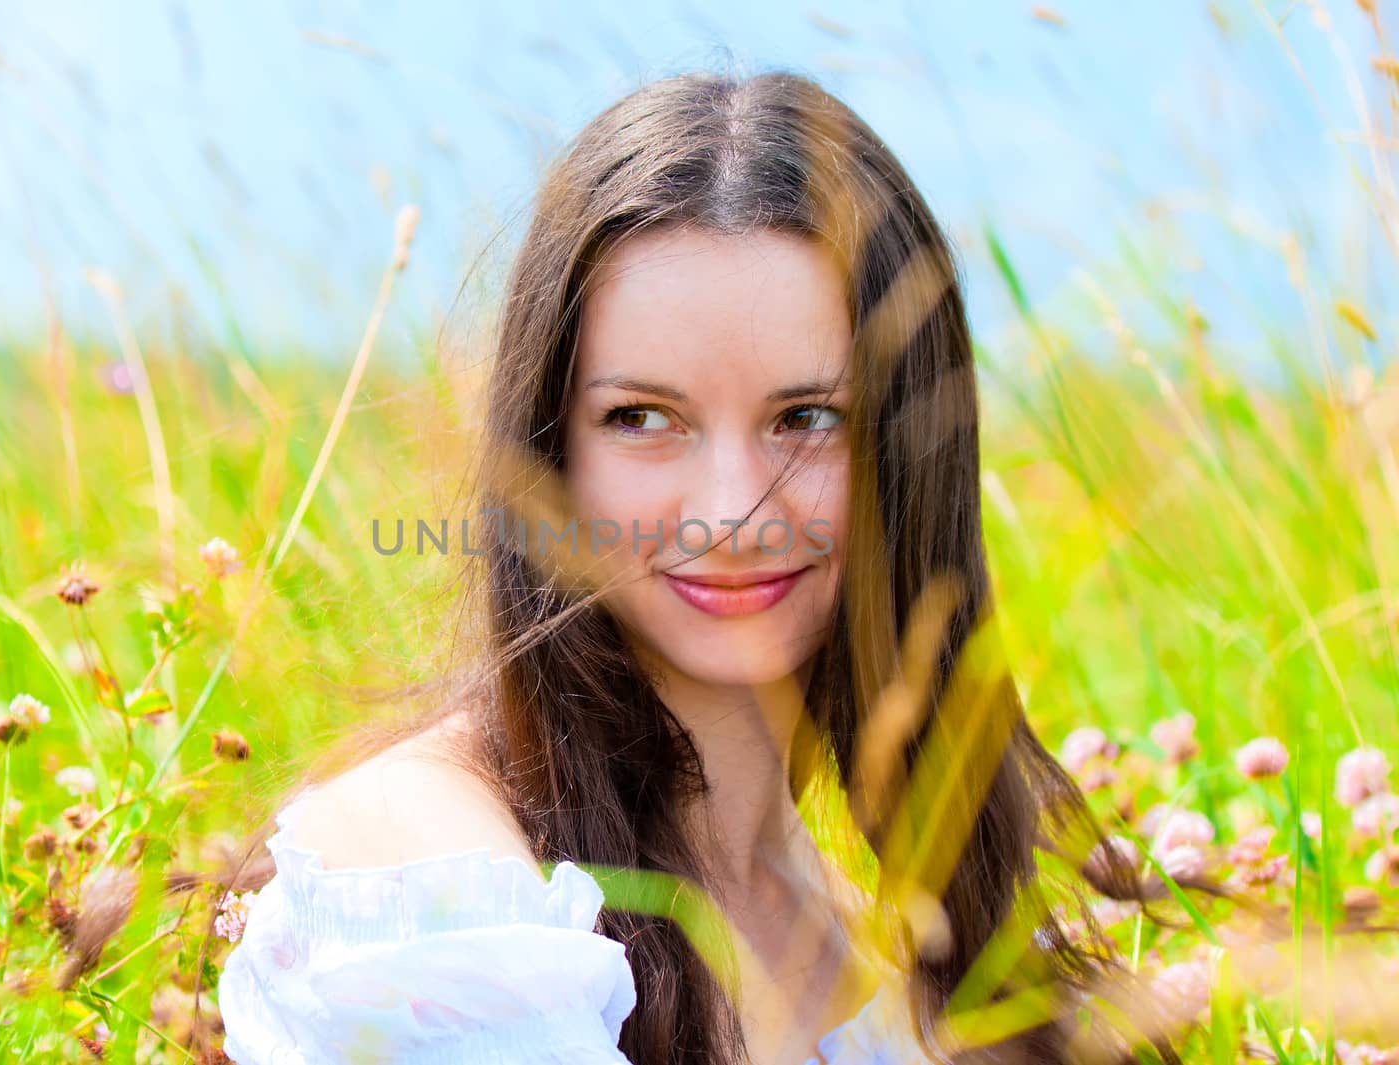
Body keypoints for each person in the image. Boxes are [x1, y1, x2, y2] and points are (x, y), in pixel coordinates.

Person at [214, 66, 1157, 1065]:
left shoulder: (881, 930)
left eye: (806, 419)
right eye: (643, 419)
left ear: (905, 455)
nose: (729, 512)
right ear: (549, 453)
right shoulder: (430, 873)